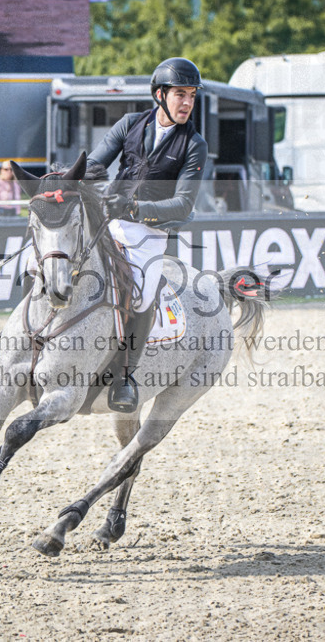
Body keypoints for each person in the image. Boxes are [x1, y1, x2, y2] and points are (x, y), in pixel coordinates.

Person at [91, 57, 209, 412]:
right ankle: (12, 339)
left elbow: (184, 204)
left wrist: (138, 209)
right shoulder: (130, 124)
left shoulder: (194, 145)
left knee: (141, 297)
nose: (187, 103)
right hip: (108, 222)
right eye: (180, 95)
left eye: (191, 96)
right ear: (160, 94)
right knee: (61, 255)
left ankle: (125, 376)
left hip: (147, 234)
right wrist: (70, 174)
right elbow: (98, 162)